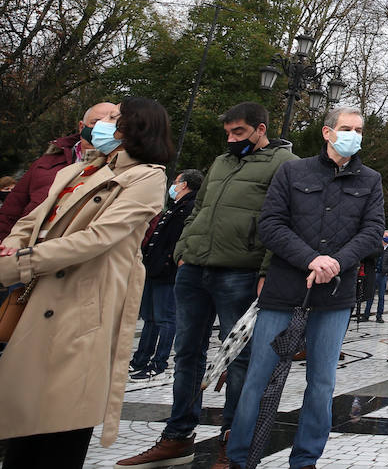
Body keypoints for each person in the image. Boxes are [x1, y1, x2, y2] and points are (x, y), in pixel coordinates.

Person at [118, 102, 295, 469]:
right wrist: (184, 247)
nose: (231, 139)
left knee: (238, 360)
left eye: (239, 133)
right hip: (194, 268)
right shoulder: (221, 161)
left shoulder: (284, 165)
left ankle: (232, 444)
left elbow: (282, 220)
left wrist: (266, 269)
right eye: (228, 133)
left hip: (240, 271)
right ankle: (177, 436)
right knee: (186, 354)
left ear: (260, 129)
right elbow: (200, 208)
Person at [0, 97, 170, 468]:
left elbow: (97, 239)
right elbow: (31, 221)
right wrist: (10, 247)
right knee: (26, 416)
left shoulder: (148, 176)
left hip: (82, 301)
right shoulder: (78, 171)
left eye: (114, 118)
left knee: (63, 414)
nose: (103, 125)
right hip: (40, 294)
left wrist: (21, 263)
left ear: (137, 127)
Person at [224, 106, 384, 469]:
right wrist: (312, 259)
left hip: (335, 295)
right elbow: (271, 225)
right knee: (259, 377)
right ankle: (240, 456)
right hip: (284, 289)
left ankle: (306, 458)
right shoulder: (292, 170)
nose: (354, 135)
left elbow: (373, 232)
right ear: (327, 133)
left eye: (359, 130)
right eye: (346, 128)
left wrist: (336, 263)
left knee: (322, 382)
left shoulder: (370, 180)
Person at [0, 100, 116, 239]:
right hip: (26, 246)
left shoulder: (123, 168)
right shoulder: (46, 163)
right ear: (81, 126)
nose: (100, 128)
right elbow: (11, 211)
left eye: (109, 124)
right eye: (95, 122)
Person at [130, 168, 206, 380]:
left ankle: (158, 362)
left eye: (176, 181)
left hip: (168, 271)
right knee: (150, 318)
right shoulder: (176, 207)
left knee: (165, 319)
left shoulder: (189, 207)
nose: (173, 185)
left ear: (184, 184)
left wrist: (173, 261)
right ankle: (140, 359)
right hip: (155, 270)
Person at [367, 229, 388, 322]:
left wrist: (387, 271)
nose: (387, 238)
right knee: (370, 295)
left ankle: (379, 316)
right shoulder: (376, 247)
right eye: (385, 236)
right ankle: (366, 315)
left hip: (383, 275)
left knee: (381, 296)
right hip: (374, 273)